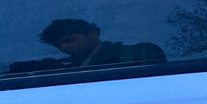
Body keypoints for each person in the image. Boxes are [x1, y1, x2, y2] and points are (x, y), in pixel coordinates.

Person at [9, 19, 166, 73]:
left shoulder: (141, 53)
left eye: (70, 40)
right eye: (58, 46)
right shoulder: (66, 67)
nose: (64, 48)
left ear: (93, 34)